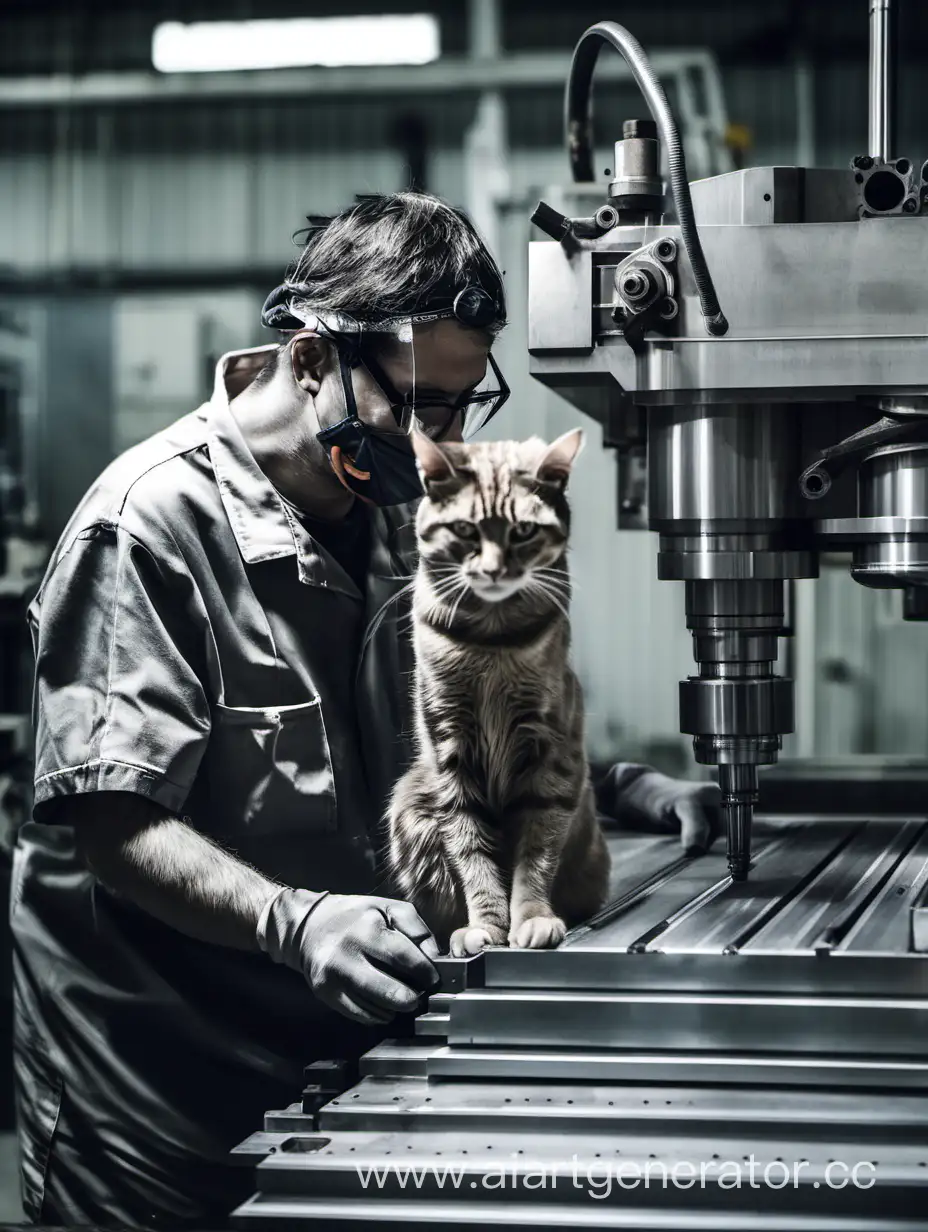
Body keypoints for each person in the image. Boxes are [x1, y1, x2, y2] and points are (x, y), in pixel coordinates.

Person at [12, 191, 720, 1228]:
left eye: (460, 405)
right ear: (311, 360)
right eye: (418, 405)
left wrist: (614, 784)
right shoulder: (148, 529)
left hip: (336, 1059)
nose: (441, 437)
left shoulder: (394, 511)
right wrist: (292, 920)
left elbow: (440, 724)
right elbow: (114, 823)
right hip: (160, 1100)